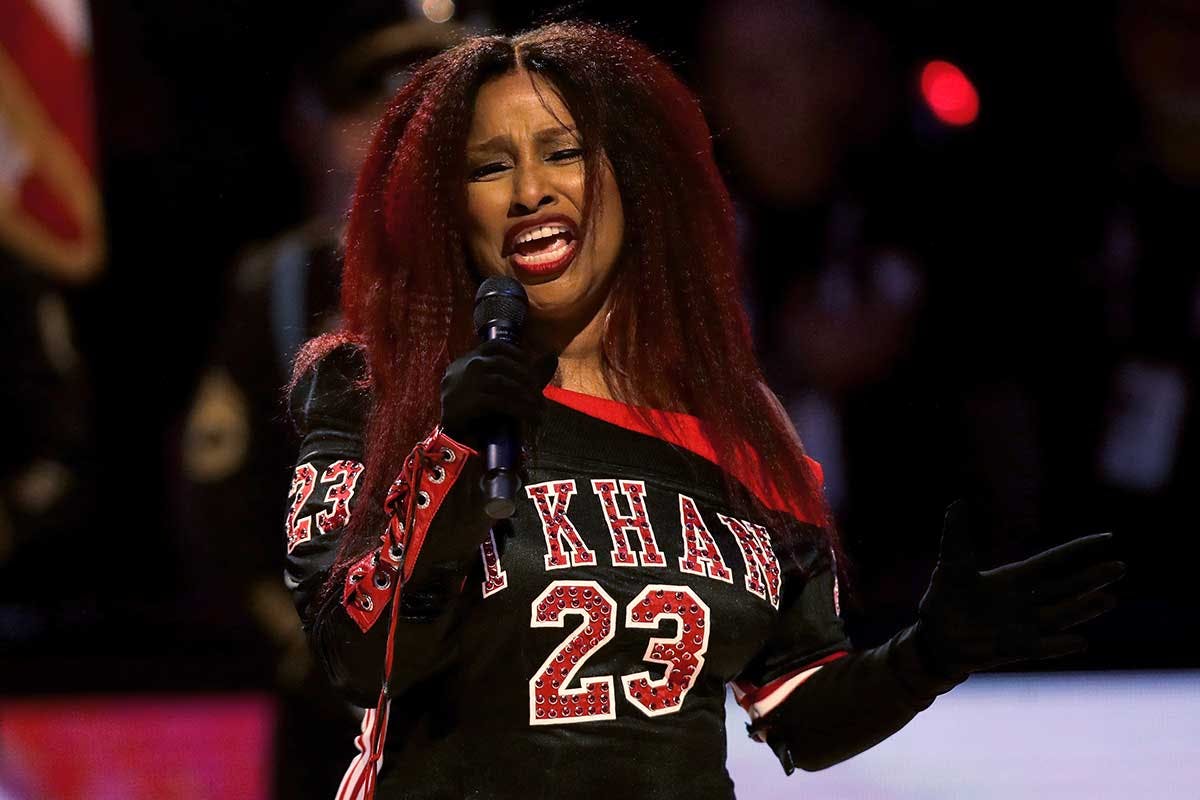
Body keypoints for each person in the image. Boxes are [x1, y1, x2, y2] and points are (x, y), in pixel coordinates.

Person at [283, 22, 1126, 800]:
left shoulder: (736, 421)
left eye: (564, 152)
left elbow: (799, 708)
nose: (530, 190)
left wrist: (929, 657)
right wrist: (454, 450)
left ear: (631, 179)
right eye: (489, 166)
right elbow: (357, 655)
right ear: (450, 207)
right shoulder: (376, 387)